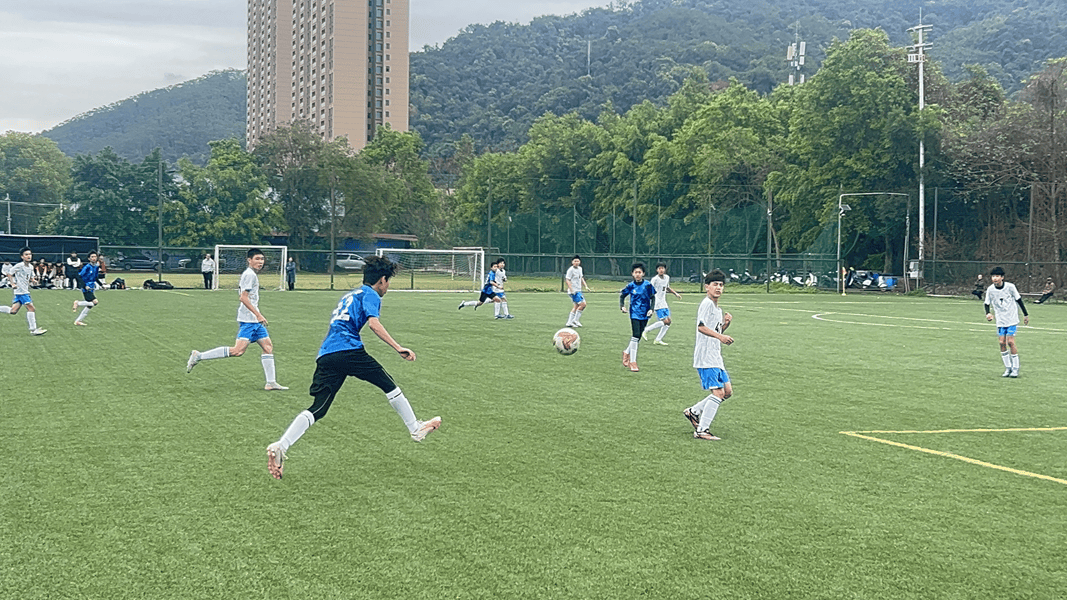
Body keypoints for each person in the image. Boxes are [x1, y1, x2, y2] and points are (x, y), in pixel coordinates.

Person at [265, 255, 441, 479]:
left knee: (319, 408)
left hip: (326, 354)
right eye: (388, 282)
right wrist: (398, 347)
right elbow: (374, 324)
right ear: (382, 280)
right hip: (349, 350)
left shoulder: (350, 294)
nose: (387, 287)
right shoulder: (371, 294)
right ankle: (415, 428)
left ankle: (282, 445)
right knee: (389, 385)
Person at [186, 248, 288, 390]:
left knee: (268, 347)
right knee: (238, 351)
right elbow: (243, 298)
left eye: (262, 259)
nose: (260, 262)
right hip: (249, 320)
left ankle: (270, 382)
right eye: (257, 259)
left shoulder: (251, 274)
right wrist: (258, 314)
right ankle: (199, 356)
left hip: (255, 321)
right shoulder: (249, 275)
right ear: (249, 260)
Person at [682, 270, 734, 441]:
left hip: (716, 356)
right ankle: (702, 430)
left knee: (727, 392)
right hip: (706, 356)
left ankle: (693, 412)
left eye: (721, 285)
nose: (718, 288)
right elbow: (701, 327)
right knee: (718, 392)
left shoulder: (717, 309)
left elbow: (715, 330)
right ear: (707, 287)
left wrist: (725, 325)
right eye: (715, 284)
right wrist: (721, 337)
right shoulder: (706, 304)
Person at [984, 266, 1029, 378]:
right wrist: (988, 313)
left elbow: (1019, 300)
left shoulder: (1010, 287)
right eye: (993, 276)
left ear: (1002, 277)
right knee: (1001, 343)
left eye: (997, 276)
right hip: (1000, 320)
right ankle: (1008, 367)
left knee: (1010, 342)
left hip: (1012, 319)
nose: (995, 278)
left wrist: (1025, 314)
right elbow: (987, 303)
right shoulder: (990, 289)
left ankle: (1015, 368)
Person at [0, 247, 48, 335]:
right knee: (31, 308)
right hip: (21, 291)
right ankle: (33, 330)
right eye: (26, 254)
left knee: (13, 311)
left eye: (30, 254)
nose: (29, 256)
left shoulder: (30, 267)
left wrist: (33, 280)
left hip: (24, 291)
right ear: (22, 256)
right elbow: (9, 274)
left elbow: (30, 277)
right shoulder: (19, 265)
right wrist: (13, 284)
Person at [619, 262, 656, 372]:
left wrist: (651, 309)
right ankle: (633, 362)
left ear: (643, 273)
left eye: (639, 272)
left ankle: (627, 351)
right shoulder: (631, 286)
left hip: (645, 313)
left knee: (638, 336)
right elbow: (622, 296)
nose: (637, 274)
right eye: (636, 272)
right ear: (632, 274)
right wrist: (622, 306)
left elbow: (653, 297)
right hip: (634, 313)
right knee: (635, 335)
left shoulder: (648, 285)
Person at [643, 262, 682, 345]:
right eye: (659, 268)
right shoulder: (655, 279)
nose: (661, 270)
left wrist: (675, 294)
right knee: (665, 321)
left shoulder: (667, 277)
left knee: (668, 322)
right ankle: (646, 330)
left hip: (663, 302)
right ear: (657, 270)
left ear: (665, 269)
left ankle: (658, 339)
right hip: (657, 302)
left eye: (662, 268)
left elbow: (667, 287)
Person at [72, 251, 102, 326]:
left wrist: (101, 285)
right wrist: (84, 286)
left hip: (92, 287)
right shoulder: (87, 267)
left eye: (95, 257)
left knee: (90, 305)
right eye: (92, 257)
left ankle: (78, 321)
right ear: (89, 258)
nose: (94, 258)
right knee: (95, 302)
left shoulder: (96, 267)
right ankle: (78, 303)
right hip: (86, 287)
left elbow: (96, 277)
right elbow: (79, 276)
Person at [565, 255, 590, 327]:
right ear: (572, 262)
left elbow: (581, 278)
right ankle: (575, 320)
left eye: (578, 261)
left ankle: (569, 322)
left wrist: (586, 286)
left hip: (579, 289)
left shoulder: (580, 269)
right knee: (583, 304)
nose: (576, 262)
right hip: (574, 291)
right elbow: (567, 280)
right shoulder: (570, 270)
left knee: (576, 306)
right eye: (575, 261)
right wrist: (571, 289)